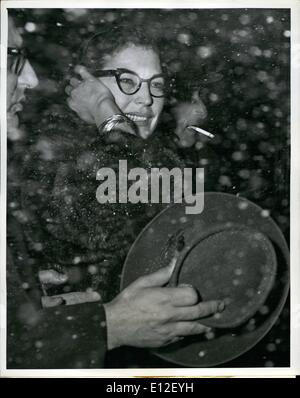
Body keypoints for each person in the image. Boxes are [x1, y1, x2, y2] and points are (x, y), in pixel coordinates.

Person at [6, 17, 224, 369]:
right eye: (127, 81)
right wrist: (109, 115)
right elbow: (154, 198)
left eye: (157, 85)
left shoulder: (143, 153)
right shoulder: (54, 150)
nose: (147, 99)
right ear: (83, 85)